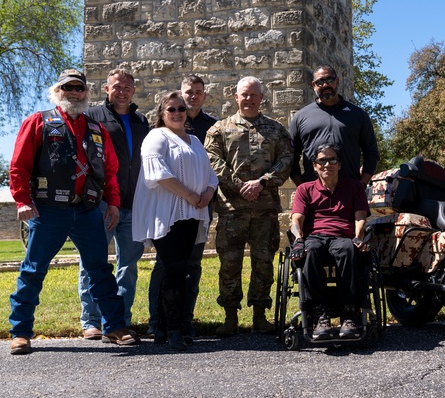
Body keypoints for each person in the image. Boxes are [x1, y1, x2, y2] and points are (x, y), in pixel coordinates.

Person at [7, 69, 139, 355]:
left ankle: (115, 326)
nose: (75, 93)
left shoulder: (96, 129)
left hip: (87, 210)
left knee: (100, 271)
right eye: (69, 88)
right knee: (33, 270)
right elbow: (19, 165)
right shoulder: (38, 121)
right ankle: (20, 332)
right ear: (58, 91)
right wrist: (22, 201)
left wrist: (113, 202)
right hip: (48, 210)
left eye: (80, 88)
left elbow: (110, 170)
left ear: (86, 93)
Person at [204, 76, 292, 336]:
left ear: (261, 98)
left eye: (254, 94)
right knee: (229, 264)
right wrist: (240, 185)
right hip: (232, 209)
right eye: (244, 94)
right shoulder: (219, 129)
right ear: (236, 96)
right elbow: (212, 161)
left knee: (263, 263)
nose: (249, 99)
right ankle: (230, 317)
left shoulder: (276, 130)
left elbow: (286, 160)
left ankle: (260, 315)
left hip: (265, 210)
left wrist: (262, 183)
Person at [133, 92, 218, 351]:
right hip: (166, 214)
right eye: (171, 109)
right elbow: (157, 173)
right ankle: (174, 328)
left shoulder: (193, 140)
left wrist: (208, 193)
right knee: (175, 268)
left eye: (182, 108)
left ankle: (162, 327)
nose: (178, 112)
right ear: (161, 113)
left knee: (180, 269)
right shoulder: (156, 137)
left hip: (191, 214)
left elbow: (211, 174)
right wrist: (191, 195)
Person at [78, 68, 150, 340]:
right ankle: (91, 321)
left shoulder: (141, 121)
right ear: (106, 89)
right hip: (101, 203)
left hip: (133, 203)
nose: (122, 91)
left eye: (127, 87)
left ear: (133, 91)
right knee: (92, 263)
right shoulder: (92, 117)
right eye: (117, 87)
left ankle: (119, 321)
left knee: (127, 267)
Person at [290, 144, 370, 339]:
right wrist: (299, 240)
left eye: (332, 160)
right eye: (322, 161)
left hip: (343, 236)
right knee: (312, 250)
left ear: (339, 164)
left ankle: (349, 312)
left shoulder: (355, 187)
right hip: (314, 236)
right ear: (315, 166)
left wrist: (358, 238)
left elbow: (360, 218)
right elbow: (296, 220)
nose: (327, 164)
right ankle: (319, 313)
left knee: (348, 250)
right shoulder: (305, 189)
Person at [289, 65, 379, 186]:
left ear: (337, 81)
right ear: (313, 85)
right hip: (313, 193)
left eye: (329, 80)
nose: (325, 85)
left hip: (350, 191)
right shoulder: (301, 117)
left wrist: (362, 185)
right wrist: (302, 187)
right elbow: (290, 156)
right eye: (320, 82)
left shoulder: (358, 115)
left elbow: (371, 153)